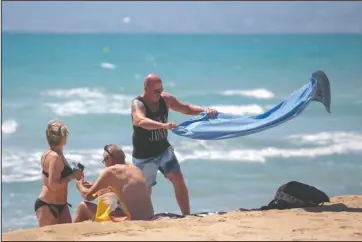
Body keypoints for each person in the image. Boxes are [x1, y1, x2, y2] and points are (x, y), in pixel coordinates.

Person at [131, 73, 217, 216]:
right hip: (144, 155)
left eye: (161, 90)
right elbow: (140, 121)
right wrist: (163, 125)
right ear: (146, 88)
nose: (159, 94)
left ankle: (186, 215)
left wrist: (205, 111)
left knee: (178, 178)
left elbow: (187, 108)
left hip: (163, 150)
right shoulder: (138, 104)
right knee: (146, 189)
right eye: (156, 91)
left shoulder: (166, 99)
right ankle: (145, 218)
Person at [74, 144, 154, 222]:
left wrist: (79, 185)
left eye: (104, 161)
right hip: (149, 219)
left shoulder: (111, 171)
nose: (105, 164)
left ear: (108, 159)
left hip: (130, 222)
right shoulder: (136, 170)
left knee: (83, 207)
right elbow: (123, 191)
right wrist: (93, 185)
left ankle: (73, 233)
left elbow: (88, 196)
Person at [34, 120, 84, 227]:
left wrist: (76, 174)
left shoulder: (56, 152)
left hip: (62, 205)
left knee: (69, 236)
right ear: (62, 137)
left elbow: (63, 175)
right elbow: (53, 185)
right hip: (48, 205)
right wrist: (72, 176)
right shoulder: (54, 157)